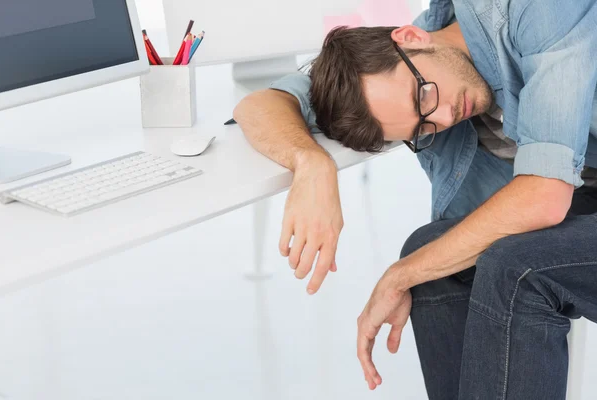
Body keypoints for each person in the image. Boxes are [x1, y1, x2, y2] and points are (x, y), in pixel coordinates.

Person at [233, 0, 597, 398]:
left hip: (560, 196)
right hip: (583, 202)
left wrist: (399, 275)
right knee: (430, 253)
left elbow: (543, 196)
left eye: (423, 98)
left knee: (513, 268)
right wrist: (311, 163)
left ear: (409, 37)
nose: (443, 117)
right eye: (424, 127)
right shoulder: (390, 72)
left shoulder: (534, 9)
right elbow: (261, 103)